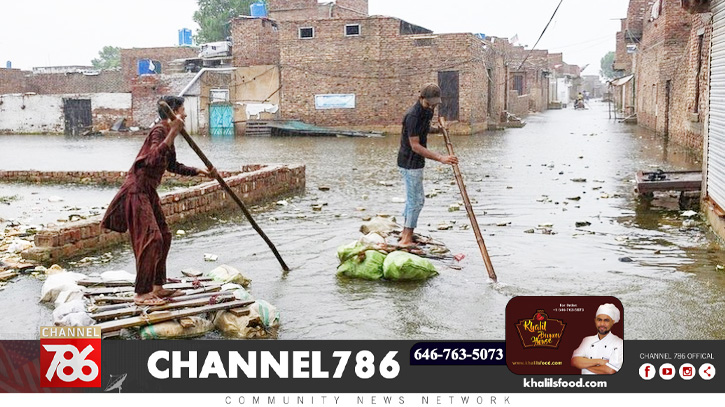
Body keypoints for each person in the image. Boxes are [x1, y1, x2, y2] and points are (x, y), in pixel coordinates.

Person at [101, 96, 216, 306]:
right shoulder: (160, 131)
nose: (186, 115)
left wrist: (200, 172)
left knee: (165, 235)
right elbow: (152, 158)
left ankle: (157, 286)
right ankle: (142, 293)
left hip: (149, 191)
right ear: (173, 112)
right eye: (183, 110)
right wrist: (173, 132)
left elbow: (171, 165)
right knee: (152, 238)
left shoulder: (168, 134)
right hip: (136, 191)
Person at [397, 83, 458, 247]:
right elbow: (415, 145)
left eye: (434, 103)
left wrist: (439, 130)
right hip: (409, 162)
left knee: (414, 199)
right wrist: (441, 158)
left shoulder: (428, 111)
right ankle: (406, 239)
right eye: (428, 103)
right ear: (421, 98)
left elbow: (423, 130)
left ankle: (405, 233)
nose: (431, 106)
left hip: (417, 162)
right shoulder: (413, 116)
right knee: (416, 200)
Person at [570, 303, 623, 374]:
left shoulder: (619, 343)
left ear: (612, 322)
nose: (602, 324)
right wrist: (599, 361)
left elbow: (610, 370)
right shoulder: (587, 340)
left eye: (606, 320)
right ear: (595, 320)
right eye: (599, 320)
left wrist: (584, 364)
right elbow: (574, 361)